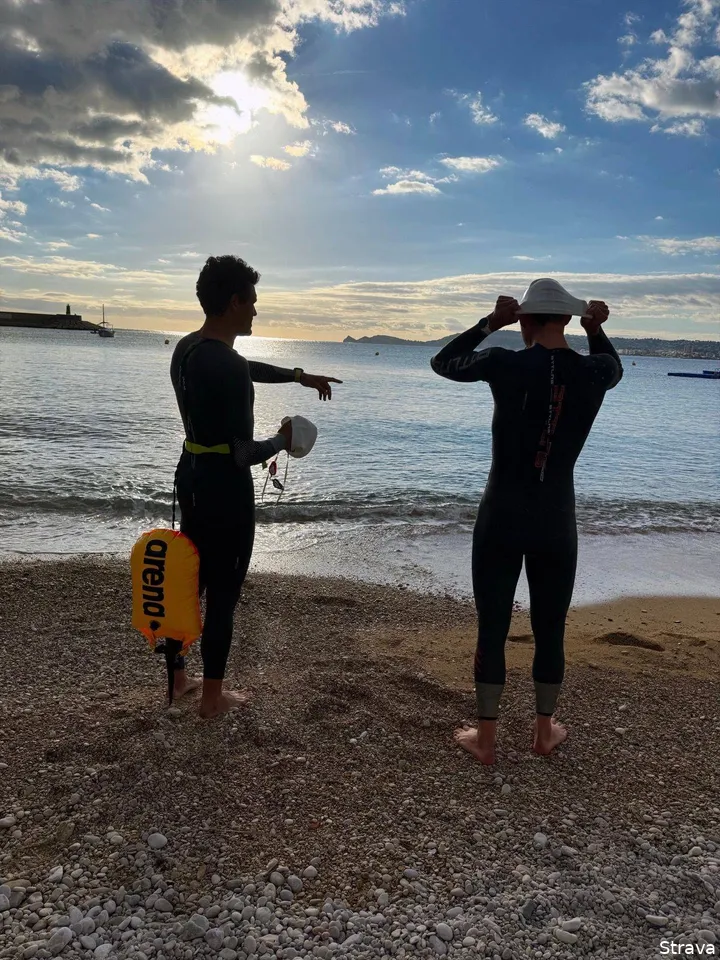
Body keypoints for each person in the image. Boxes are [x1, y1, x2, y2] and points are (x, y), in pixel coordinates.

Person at [430, 278, 622, 763]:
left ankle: (487, 740)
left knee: (492, 625)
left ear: (527, 320)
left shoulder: (504, 362)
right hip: (557, 517)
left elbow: (442, 362)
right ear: (565, 319)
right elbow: (616, 365)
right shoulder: (595, 370)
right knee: (550, 626)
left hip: (502, 514)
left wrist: (489, 324)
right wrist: (595, 329)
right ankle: (542, 734)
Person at [169, 255, 342, 718]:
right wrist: (282, 440)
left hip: (190, 474)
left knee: (188, 580)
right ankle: (212, 699)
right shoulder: (224, 366)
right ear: (234, 302)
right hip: (226, 488)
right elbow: (243, 452)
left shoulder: (187, 349)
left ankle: (179, 681)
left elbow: (245, 366)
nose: (255, 312)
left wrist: (298, 376)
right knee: (224, 588)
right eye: (252, 303)